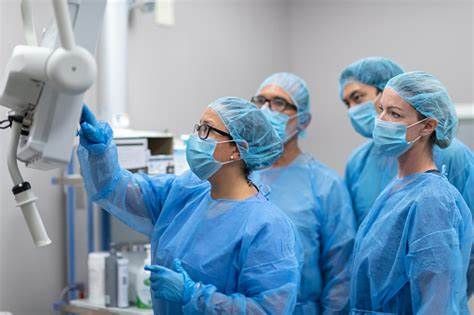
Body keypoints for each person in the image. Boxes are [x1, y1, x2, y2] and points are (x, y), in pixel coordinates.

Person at [77, 97, 303, 314]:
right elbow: (118, 189)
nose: (197, 138)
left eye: (206, 130)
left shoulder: (268, 227)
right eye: (198, 128)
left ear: (237, 149)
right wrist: (100, 152)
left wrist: (193, 295)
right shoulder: (187, 192)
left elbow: (267, 310)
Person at [350, 71, 472, 314]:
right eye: (381, 109)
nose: (381, 121)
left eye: (394, 114)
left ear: (427, 126)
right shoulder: (398, 187)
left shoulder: (432, 200)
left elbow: (436, 303)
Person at [250, 72, 356, 314]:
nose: (267, 110)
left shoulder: (324, 185)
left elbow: (342, 272)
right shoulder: (242, 175)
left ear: (303, 120)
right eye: (261, 101)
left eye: (279, 103)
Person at [340, 57, 473, 226]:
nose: (352, 110)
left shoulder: (453, 155)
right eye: (347, 104)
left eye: (357, 98)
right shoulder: (358, 162)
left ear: (386, 91)